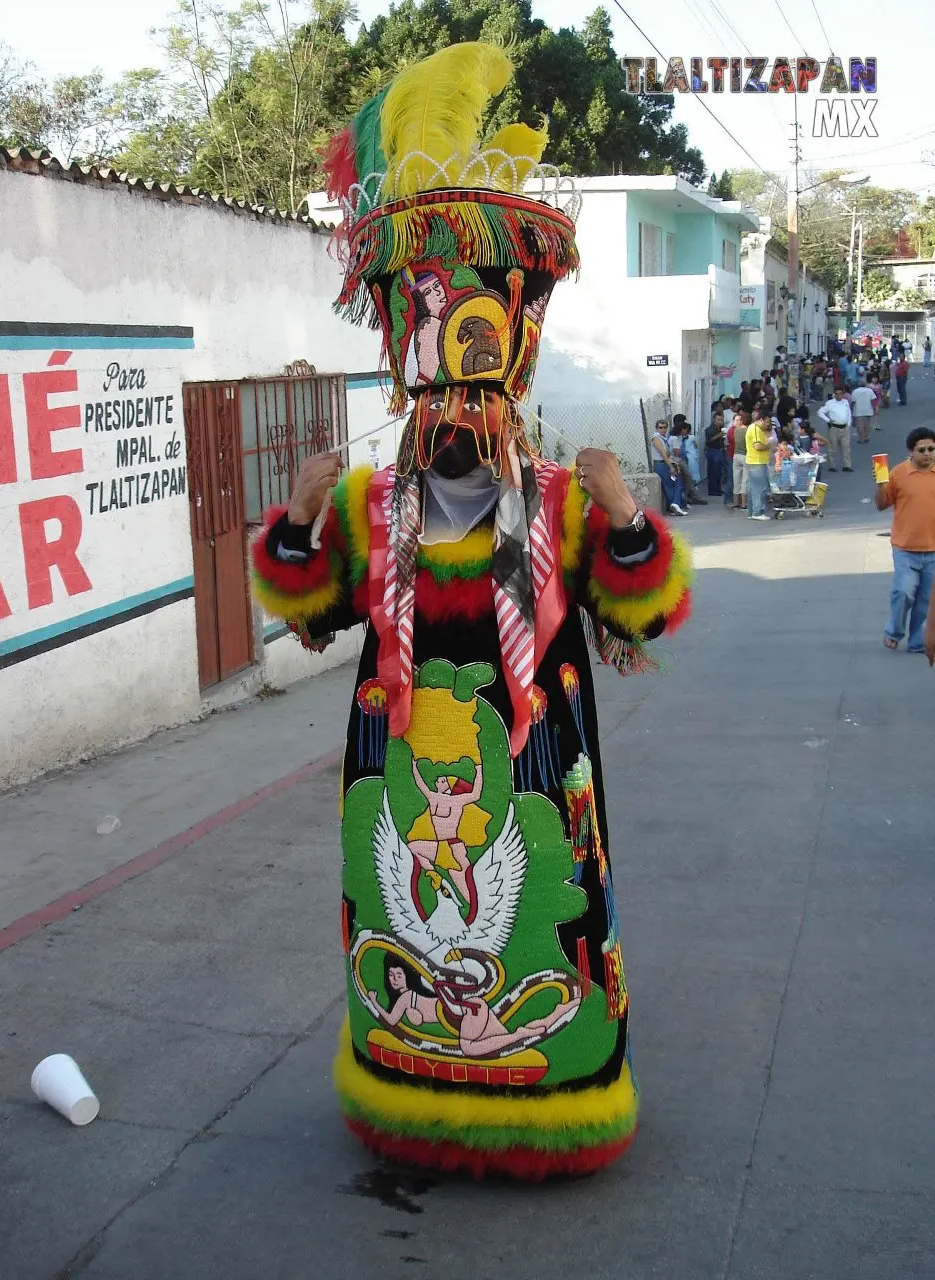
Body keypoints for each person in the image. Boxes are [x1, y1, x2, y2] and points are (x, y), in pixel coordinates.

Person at [250, 41, 693, 1180]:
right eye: (438, 403)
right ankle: (408, 1092)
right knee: (401, 922)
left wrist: (622, 511)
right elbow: (307, 611)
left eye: (475, 401)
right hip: (398, 779)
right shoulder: (372, 505)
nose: (455, 427)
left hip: (537, 773)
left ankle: (556, 1099)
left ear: (512, 377)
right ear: (411, 388)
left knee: (541, 917)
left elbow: (642, 615)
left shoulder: (559, 502)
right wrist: (297, 521)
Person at [875, 427, 935, 653]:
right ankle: (894, 631)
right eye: (922, 450)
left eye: (931, 449)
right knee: (903, 592)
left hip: (933, 549)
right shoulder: (898, 474)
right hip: (905, 548)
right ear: (911, 451)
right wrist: (881, 486)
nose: (927, 454)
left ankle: (918, 642)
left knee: (926, 600)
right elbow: (881, 504)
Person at [652, 418, 687, 515]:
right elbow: (663, 454)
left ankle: (674, 506)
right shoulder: (656, 438)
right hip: (660, 464)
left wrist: (673, 464)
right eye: (660, 428)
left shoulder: (664, 438)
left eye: (665, 427)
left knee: (671, 485)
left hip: (664, 463)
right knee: (676, 482)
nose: (663, 429)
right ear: (657, 428)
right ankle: (675, 504)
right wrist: (671, 467)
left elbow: (668, 454)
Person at [817, 388, 854, 472]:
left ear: (842, 394)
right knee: (832, 447)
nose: (838, 395)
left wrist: (848, 424)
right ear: (834, 394)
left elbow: (849, 413)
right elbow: (820, 412)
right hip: (834, 428)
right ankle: (832, 465)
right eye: (837, 394)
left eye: (840, 394)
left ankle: (847, 465)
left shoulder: (845, 402)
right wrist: (828, 420)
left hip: (845, 428)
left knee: (846, 447)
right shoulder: (830, 403)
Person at [744, 412, 772, 520]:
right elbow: (757, 446)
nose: (768, 424)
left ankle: (752, 512)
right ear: (760, 420)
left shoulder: (754, 428)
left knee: (753, 489)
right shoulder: (755, 429)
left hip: (754, 462)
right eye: (767, 422)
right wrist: (768, 445)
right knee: (760, 489)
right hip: (757, 462)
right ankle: (758, 512)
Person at [704, 410, 726, 497]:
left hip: (719, 451)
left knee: (719, 472)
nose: (720, 422)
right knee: (713, 471)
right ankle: (713, 490)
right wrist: (719, 435)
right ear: (714, 420)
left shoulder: (720, 428)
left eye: (721, 420)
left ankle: (718, 489)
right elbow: (708, 441)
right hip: (712, 451)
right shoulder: (709, 429)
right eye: (718, 420)